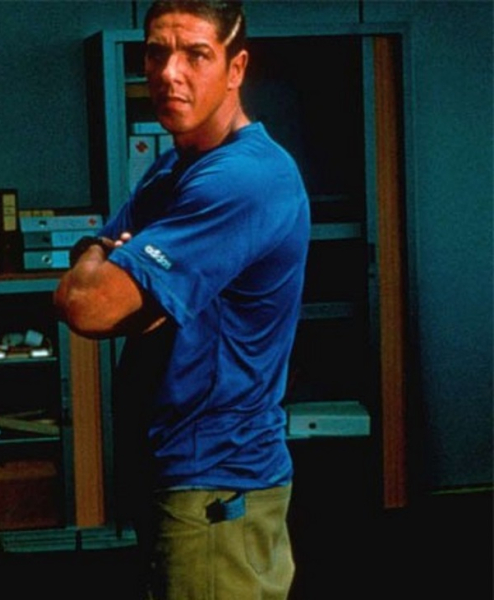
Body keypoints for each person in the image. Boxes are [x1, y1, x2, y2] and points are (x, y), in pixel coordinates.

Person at [54, 2, 309, 598]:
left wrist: (105, 257)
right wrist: (104, 261)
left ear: (236, 68)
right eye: (156, 54)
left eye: (196, 55)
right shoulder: (172, 170)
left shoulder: (244, 179)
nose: (170, 73)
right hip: (174, 469)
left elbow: (88, 304)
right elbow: (90, 285)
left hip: (216, 480)